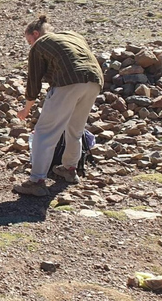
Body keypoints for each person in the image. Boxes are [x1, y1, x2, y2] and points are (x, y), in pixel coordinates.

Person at [14, 15, 103, 197]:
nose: (30, 45)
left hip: (68, 82)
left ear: (36, 34)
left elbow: (34, 81)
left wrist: (26, 108)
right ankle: (70, 169)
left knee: (45, 132)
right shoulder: (73, 35)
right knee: (75, 129)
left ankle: (36, 181)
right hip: (95, 80)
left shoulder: (40, 44)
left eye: (29, 40)